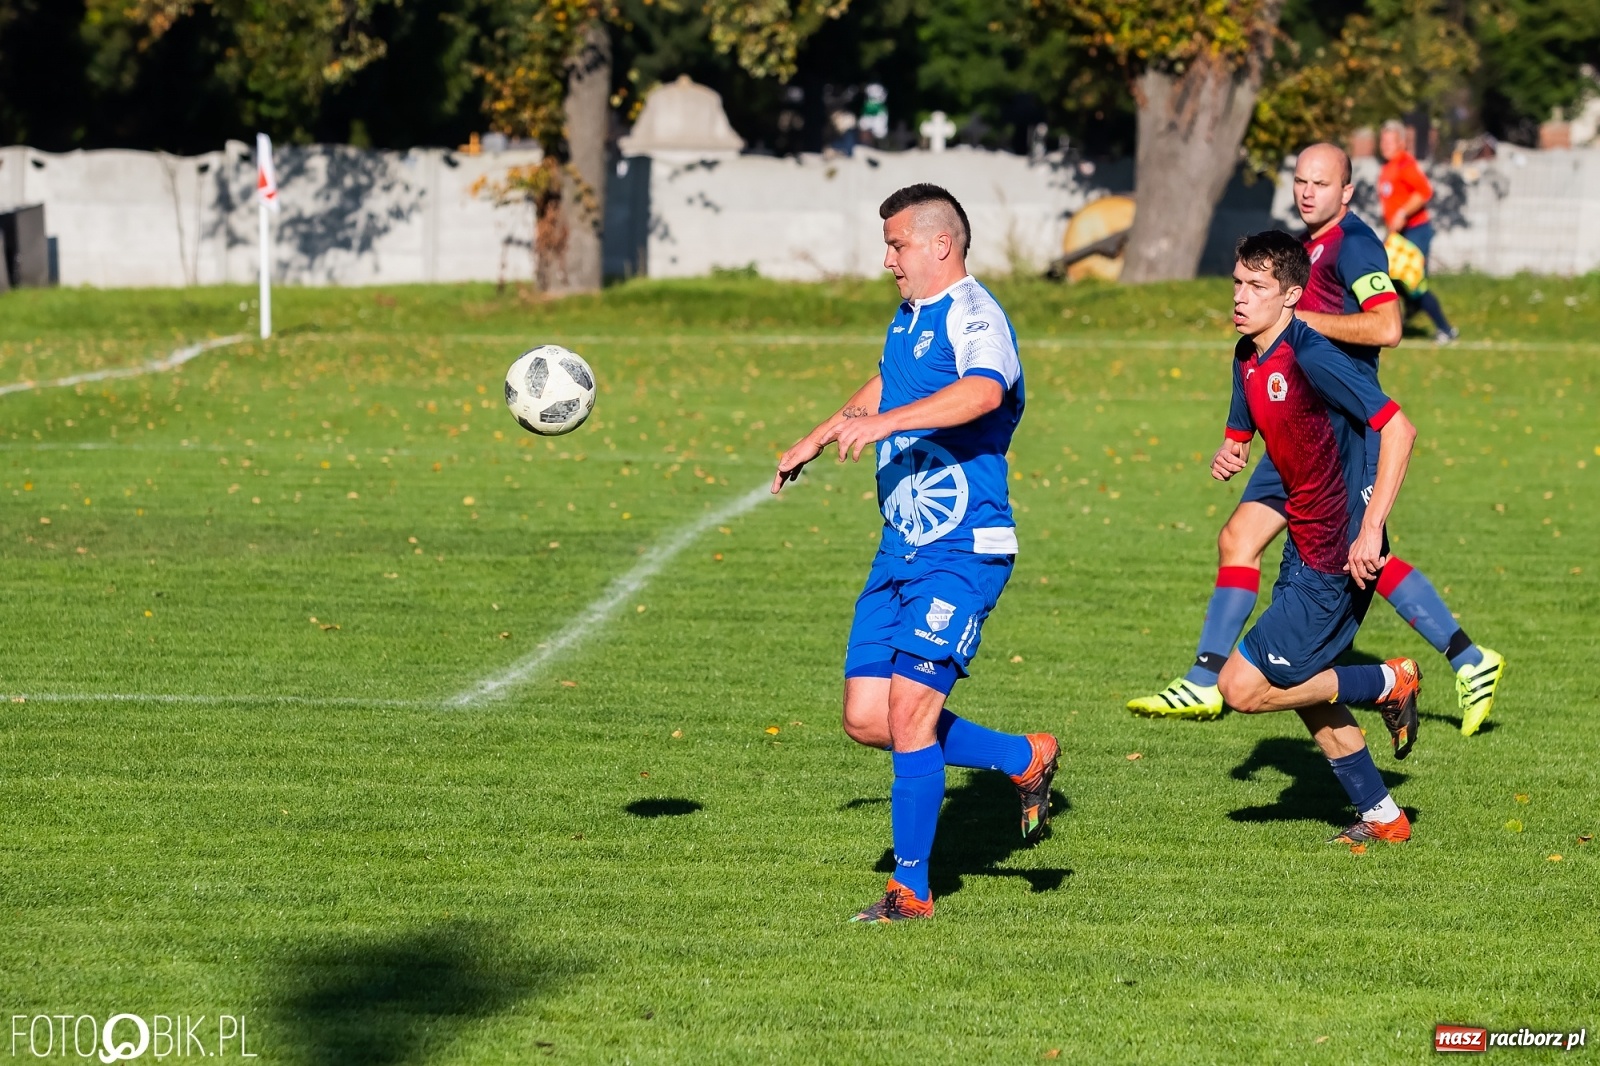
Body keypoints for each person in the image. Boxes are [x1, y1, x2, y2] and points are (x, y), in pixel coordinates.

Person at [1127, 143, 1505, 734]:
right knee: (1239, 538)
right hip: (1298, 425)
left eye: (1321, 184)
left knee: (1361, 557)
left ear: (1347, 192)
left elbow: (1389, 326)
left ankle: (1467, 658)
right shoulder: (1303, 250)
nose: (1307, 193)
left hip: (1345, 434)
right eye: (1301, 181)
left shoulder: (1353, 244)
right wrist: (1239, 434)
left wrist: (1298, 322)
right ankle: (1204, 680)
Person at [772, 183, 1059, 923]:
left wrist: (889, 422)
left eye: (898, 244)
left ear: (942, 244)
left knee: (909, 715)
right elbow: (887, 381)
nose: (888, 259)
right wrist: (825, 431)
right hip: (900, 547)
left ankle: (912, 889)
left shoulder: (976, 315)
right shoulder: (911, 316)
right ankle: (1022, 757)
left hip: (963, 550)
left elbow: (984, 392)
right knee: (868, 717)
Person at [1213, 230, 1421, 844]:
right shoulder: (1248, 355)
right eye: (1238, 283)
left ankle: (1388, 681)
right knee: (1300, 682)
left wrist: (1373, 528)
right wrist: (1231, 450)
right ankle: (1384, 817)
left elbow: (1399, 428)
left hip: (1338, 549)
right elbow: (1247, 428)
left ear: (1292, 297)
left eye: (1258, 287)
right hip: (1302, 541)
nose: (1242, 297)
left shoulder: (1313, 354)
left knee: (1243, 687)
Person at [1379, 120, 1458, 344]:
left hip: (1416, 231)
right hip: (1399, 235)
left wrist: (1403, 213)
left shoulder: (1405, 163)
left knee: (1413, 282)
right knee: (1389, 277)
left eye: (1389, 141)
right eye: (1382, 140)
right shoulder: (1388, 167)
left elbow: (1424, 191)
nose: (1384, 145)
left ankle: (1445, 329)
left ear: (1402, 142)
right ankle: (1410, 308)